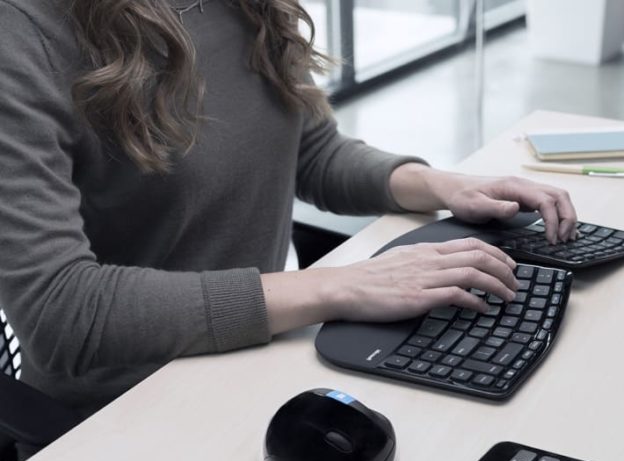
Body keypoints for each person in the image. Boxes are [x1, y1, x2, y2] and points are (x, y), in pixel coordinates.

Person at [0, 0, 578, 416]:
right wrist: (339, 286)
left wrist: (437, 186)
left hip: (256, 365)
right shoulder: (23, 34)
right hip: (119, 416)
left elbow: (309, 151)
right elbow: (62, 313)